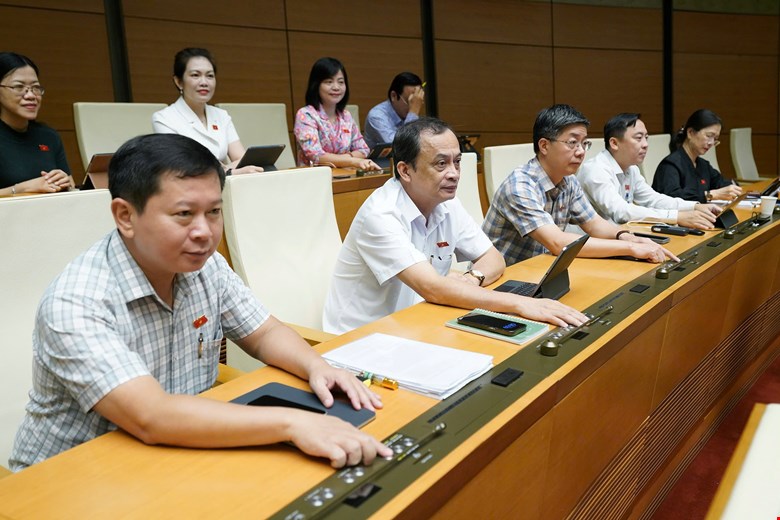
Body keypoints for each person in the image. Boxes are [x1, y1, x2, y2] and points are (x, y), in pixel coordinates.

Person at [9, 133, 391, 472]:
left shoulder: (205, 267)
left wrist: (316, 366)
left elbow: (264, 332)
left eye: (214, 212)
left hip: (175, 454)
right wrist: (294, 422)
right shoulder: (77, 301)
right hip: (69, 477)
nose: (204, 233)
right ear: (125, 215)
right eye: (184, 215)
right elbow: (152, 416)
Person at [322, 117, 588, 335]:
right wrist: (521, 304)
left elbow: (493, 258)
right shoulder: (380, 215)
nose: (454, 173)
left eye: (457, 161)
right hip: (363, 339)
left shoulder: (446, 201)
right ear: (405, 170)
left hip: (423, 319)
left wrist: (472, 278)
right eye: (441, 163)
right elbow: (433, 288)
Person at [482, 104, 678, 267]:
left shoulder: (568, 181)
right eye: (572, 143)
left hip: (543, 271)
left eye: (585, 144)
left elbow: (594, 224)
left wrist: (627, 236)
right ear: (544, 146)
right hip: (504, 279)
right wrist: (630, 248)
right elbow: (558, 242)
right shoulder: (520, 186)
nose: (581, 151)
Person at [577, 113, 721, 229]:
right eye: (638, 138)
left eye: (646, 138)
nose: (645, 145)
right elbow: (621, 212)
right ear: (614, 143)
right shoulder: (595, 170)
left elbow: (653, 199)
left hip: (619, 236)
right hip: (590, 245)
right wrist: (677, 217)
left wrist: (695, 206)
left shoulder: (631, 168)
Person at [152, 48, 262, 175]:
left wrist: (222, 169)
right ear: (179, 82)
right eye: (195, 75)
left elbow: (242, 159)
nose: (204, 82)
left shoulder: (221, 115)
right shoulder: (164, 118)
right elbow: (182, 167)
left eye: (210, 76)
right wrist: (228, 171)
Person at [0, 52, 73, 195]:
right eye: (19, 87)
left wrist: (64, 182)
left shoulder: (48, 136)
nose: (31, 95)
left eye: (35, 88)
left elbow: (71, 188)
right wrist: (21, 189)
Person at [293, 57, 380, 170]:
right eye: (329, 82)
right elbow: (316, 155)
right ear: (316, 85)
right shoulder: (306, 115)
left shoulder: (346, 116)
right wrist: (352, 161)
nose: (336, 87)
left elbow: (363, 149)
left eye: (341, 82)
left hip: (346, 175)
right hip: (315, 179)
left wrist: (346, 159)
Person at [652, 109, 742, 203]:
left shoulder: (703, 165)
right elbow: (672, 198)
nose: (711, 143)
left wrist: (732, 187)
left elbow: (721, 183)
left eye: (715, 139)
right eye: (708, 136)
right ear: (690, 132)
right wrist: (711, 195)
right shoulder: (670, 165)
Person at [363, 72, 425, 149]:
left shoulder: (408, 115)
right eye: (410, 101)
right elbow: (400, 147)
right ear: (394, 96)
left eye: (416, 101)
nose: (414, 106)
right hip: (380, 160)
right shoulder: (376, 116)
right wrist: (413, 113)